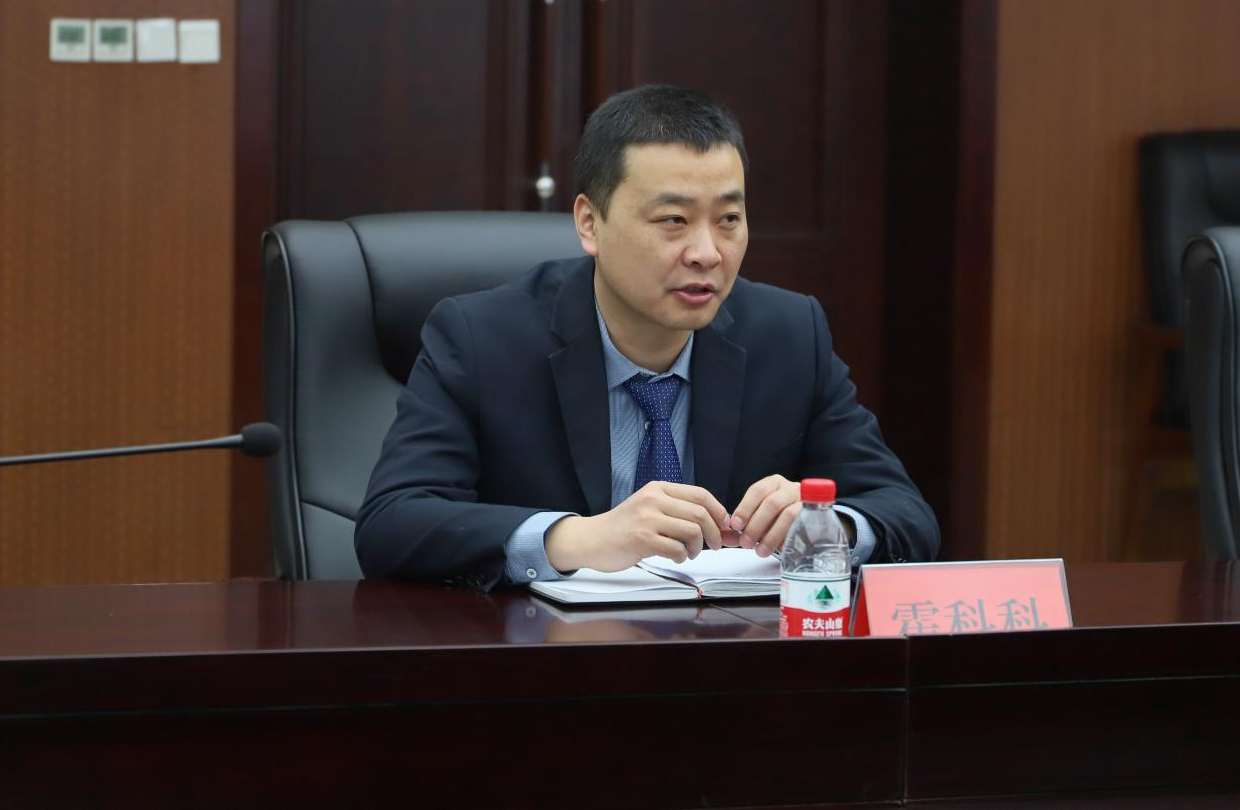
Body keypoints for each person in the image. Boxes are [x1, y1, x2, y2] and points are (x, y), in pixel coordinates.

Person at [356, 84, 939, 588]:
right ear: (590, 223)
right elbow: (391, 524)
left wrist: (827, 527)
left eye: (728, 220)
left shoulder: (788, 334)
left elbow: (906, 515)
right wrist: (576, 539)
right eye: (673, 221)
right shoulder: (482, 338)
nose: (707, 253)